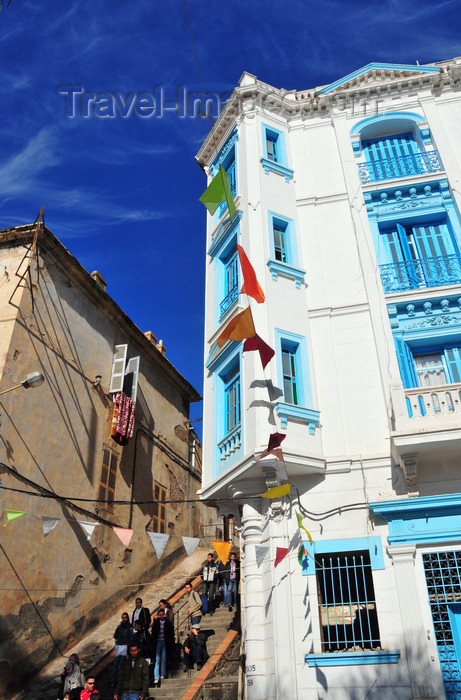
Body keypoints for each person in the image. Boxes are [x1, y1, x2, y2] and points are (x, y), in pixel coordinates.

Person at [151, 607, 175, 685]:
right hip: (158, 641)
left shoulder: (167, 622)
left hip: (165, 641)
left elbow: (170, 633)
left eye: (162, 615)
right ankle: (156, 676)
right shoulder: (156, 623)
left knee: (163, 658)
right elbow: (153, 632)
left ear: (164, 615)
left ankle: (162, 674)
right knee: (157, 659)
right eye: (160, 615)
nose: (161, 616)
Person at [111, 612, 133, 687]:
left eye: (125, 618)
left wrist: (128, 650)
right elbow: (115, 636)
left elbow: (131, 638)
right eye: (123, 618)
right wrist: (117, 629)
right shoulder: (119, 627)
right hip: (119, 646)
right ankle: (114, 681)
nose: (124, 619)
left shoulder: (130, 627)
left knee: (122, 664)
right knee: (116, 664)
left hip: (125, 647)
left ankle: (122, 681)